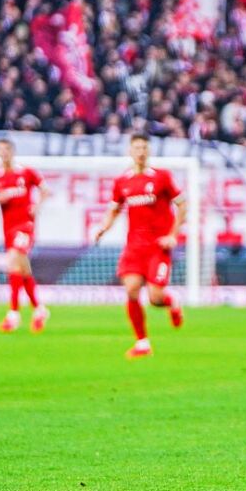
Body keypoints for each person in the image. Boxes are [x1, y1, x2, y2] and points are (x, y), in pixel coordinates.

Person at [94, 134, 186, 359]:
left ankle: (171, 302)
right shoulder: (122, 181)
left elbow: (182, 205)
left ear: (149, 151)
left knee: (155, 298)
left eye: (144, 147)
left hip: (158, 246)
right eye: (136, 148)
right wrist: (103, 227)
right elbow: (114, 209)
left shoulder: (161, 177)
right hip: (134, 247)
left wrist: (173, 235)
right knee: (132, 289)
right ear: (130, 151)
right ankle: (142, 342)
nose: (141, 152)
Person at [0, 138, 50, 333]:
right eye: (0, 150)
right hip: (8, 228)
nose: (3, 153)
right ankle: (39, 309)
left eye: (6, 150)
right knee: (22, 269)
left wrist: (38, 205)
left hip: (26, 225)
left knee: (13, 260)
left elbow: (45, 190)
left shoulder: (26, 172)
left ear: (12, 151)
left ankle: (13, 313)